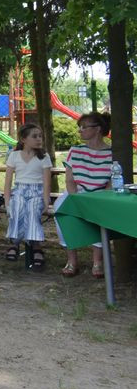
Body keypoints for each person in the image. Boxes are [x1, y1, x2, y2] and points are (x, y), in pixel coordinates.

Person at [59, 112, 113, 277]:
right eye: (79, 127)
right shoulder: (75, 151)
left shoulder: (112, 153)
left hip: (100, 195)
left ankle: (97, 262)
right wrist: (76, 198)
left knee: (99, 215)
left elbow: (111, 182)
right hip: (77, 193)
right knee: (61, 209)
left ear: (97, 129)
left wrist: (100, 198)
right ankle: (72, 260)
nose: (80, 131)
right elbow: (69, 180)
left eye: (84, 127)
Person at [2, 123, 52, 270]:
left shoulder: (44, 157)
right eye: (34, 136)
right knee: (16, 206)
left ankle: (36, 247)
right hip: (19, 190)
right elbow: (8, 181)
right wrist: (6, 201)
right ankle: (15, 243)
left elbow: (47, 183)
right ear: (23, 139)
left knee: (32, 209)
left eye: (40, 136)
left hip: (37, 192)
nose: (39, 139)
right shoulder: (14, 155)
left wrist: (45, 201)